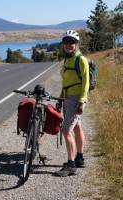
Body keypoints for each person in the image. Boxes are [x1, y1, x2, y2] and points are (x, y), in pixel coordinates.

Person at [55, 30, 89, 177]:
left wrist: (81, 102)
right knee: (77, 127)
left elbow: (86, 82)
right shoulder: (67, 60)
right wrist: (60, 98)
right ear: (63, 45)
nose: (69, 45)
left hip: (76, 99)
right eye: (66, 42)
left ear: (76, 44)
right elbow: (66, 82)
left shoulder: (80, 60)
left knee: (66, 130)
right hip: (68, 98)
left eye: (72, 42)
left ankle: (71, 165)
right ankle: (79, 157)